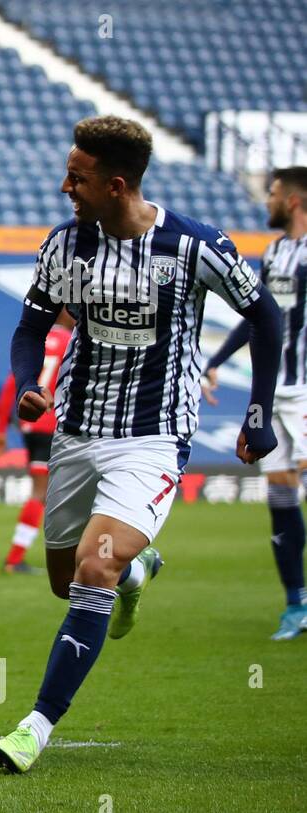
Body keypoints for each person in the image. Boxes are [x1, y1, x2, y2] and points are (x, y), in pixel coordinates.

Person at [0, 116, 282, 774]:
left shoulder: (195, 245)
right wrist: (28, 380)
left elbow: (267, 313)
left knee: (94, 568)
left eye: (78, 177)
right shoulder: (67, 244)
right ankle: (138, 571)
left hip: (152, 438)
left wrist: (258, 412)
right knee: (68, 581)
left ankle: (35, 727)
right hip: (76, 431)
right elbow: (30, 327)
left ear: (116, 185)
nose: (66, 186)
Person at [203, 166, 307, 640]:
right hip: (278, 393)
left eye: (272, 194)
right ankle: (295, 605)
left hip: (305, 391)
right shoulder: (277, 252)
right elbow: (257, 318)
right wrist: (215, 360)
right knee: (281, 499)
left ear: (294, 201)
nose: (266, 201)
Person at [0, 310, 76, 573]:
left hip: (31, 422)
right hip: (53, 424)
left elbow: (11, 385)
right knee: (44, 492)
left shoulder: (36, 340)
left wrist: (0, 431)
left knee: (51, 492)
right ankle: (15, 559)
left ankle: (67, 554)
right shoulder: (71, 341)